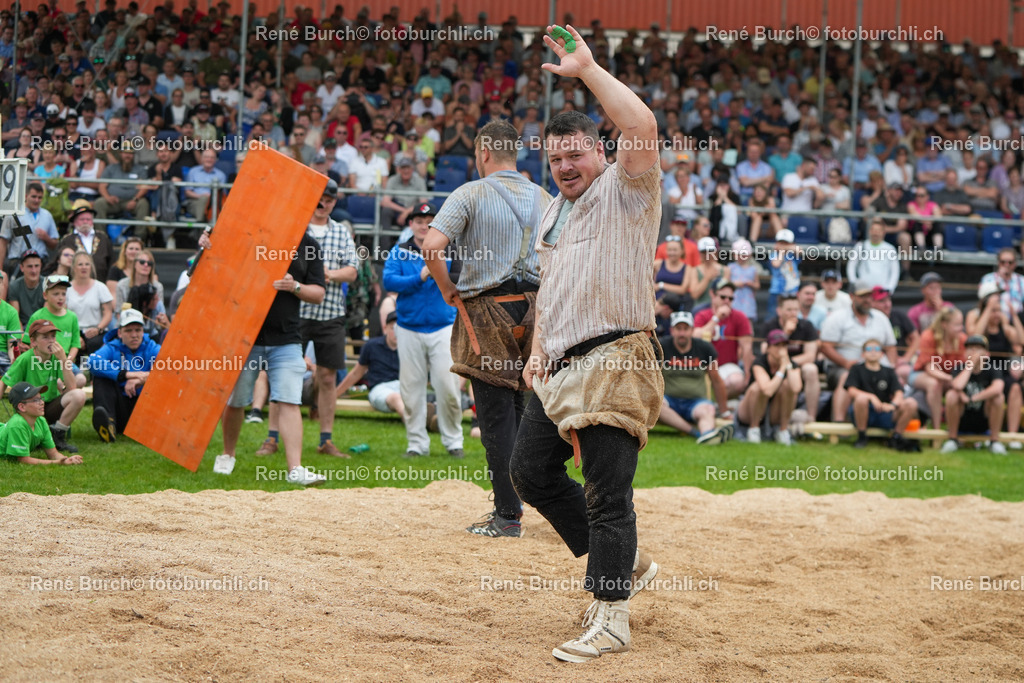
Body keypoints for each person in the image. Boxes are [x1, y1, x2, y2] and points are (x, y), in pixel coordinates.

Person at [506, 26, 663, 662]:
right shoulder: (549, 213)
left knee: (607, 496)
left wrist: (590, 71)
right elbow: (550, 289)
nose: (567, 167)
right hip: (561, 364)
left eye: (576, 156)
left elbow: (643, 125)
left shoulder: (627, 186)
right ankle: (627, 566)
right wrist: (537, 352)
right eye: (556, 160)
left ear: (598, 152)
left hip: (617, 356)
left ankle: (612, 617)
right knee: (530, 473)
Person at [422, 119, 552, 537]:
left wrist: (447, 289)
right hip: (535, 310)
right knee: (520, 410)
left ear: (482, 153)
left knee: (495, 418)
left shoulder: (470, 193)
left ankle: (507, 516)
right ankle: (522, 502)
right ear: (516, 152)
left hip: (487, 311)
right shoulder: (544, 196)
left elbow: (431, 247)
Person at [203, 222, 328, 486]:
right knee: (237, 400)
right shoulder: (252, 234)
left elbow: (318, 293)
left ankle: (295, 469)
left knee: (289, 400)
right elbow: (214, 268)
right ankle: (228, 454)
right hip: (246, 337)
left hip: (287, 339)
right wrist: (207, 245)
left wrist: (294, 287)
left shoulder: (309, 246)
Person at [383, 202, 464, 458]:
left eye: (429, 222)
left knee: (448, 387)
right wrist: (420, 276)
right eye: (418, 221)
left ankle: (454, 441)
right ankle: (416, 444)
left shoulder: (450, 249)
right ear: (411, 224)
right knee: (410, 390)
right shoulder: (399, 251)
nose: (423, 226)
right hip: (408, 327)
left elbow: (461, 281)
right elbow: (388, 281)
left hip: (443, 326)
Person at [294, 179, 359, 458]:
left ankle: (326, 440)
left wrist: (324, 276)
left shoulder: (342, 232)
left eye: (329, 200)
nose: (323, 205)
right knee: (283, 373)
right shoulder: (296, 227)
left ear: (335, 201)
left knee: (328, 376)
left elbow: (353, 271)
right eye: (319, 199)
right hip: (296, 311)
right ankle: (273, 437)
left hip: (330, 312)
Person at [2, 319, 86, 453]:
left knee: (79, 395)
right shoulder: (25, 359)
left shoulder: (58, 357)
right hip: (29, 410)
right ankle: (39, 435)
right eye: (45, 337)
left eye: (53, 336)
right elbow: (3, 382)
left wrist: (64, 360)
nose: (51, 341)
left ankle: (57, 436)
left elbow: (72, 389)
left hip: (48, 407)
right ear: (33, 342)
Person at [820, 283, 897, 422]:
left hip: (875, 367)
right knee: (847, 377)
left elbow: (891, 347)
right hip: (841, 367)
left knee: (899, 375)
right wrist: (846, 363)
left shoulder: (881, 318)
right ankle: (839, 423)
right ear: (851, 296)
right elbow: (825, 346)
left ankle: (893, 423)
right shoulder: (837, 317)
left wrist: (891, 368)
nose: (867, 300)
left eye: (869, 296)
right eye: (862, 296)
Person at [87, 308, 161, 442]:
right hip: (119, 408)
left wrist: (143, 379)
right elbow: (92, 362)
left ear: (143, 332)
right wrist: (126, 375)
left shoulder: (152, 347)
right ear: (120, 333)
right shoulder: (112, 347)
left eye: (138, 330)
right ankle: (108, 425)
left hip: (142, 406)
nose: (134, 335)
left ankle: (150, 426)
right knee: (100, 377)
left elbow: (171, 369)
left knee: (163, 381)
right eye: (128, 330)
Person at [658, 310, 732, 443]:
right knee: (656, 404)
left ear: (692, 330)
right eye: (678, 329)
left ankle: (708, 434)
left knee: (707, 410)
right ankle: (696, 433)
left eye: (686, 329)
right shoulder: (662, 347)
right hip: (669, 401)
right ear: (672, 330)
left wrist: (725, 412)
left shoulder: (705, 348)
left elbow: (716, 381)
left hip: (696, 402)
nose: (682, 333)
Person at [844, 339, 921, 451]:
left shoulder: (889, 371)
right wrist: (871, 397)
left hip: (885, 411)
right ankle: (862, 436)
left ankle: (896, 437)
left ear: (882, 354)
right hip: (864, 411)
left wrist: (893, 405)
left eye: (877, 349)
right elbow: (851, 390)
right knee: (861, 398)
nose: (873, 352)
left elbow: (899, 392)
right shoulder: (856, 369)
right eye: (869, 349)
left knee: (911, 403)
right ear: (863, 354)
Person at [941, 335, 1007, 455]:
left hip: (984, 416)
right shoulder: (959, 368)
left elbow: (998, 388)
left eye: (978, 348)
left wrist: (973, 398)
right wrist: (970, 366)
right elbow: (957, 386)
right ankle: (952, 439)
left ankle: (994, 441)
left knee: (999, 398)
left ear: (986, 354)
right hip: (963, 417)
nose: (973, 351)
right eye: (970, 348)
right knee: (952, 395)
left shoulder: (993, 369)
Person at [759, 295, 821, 419]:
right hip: (774, 366)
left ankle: (811, 417)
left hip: (796, 365)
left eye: (796, 310)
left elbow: (810, 356)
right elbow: (766, 352)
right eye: (789, 310)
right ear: (779, 311)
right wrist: (785, 334)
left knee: (811, 369)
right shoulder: (769, 325)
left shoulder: (807, 325)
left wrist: (788, 362)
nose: (793, 313)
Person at [22, 274, 87, 388]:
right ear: (45, 295)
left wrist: (67, 360)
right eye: (56, 294)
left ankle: (65, 398)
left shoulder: (72, 317)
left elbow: (75, 344)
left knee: (81, 380)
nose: (61, 297)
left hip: (65, 361)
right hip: (43, 362)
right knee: (56, 383)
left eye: (63, 293)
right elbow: (28, 343)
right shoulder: (37, 316)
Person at [738, 330, 802, 444]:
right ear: (768, 348)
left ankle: (783, 430)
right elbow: (767, 390)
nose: (781, 349)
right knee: (758, 387)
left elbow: (796, 388)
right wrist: (782, 369)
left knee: (788, 386)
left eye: (784, 345)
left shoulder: (791, 364)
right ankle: (754, 429)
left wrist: (787, 365)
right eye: (777, 345)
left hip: (774, 411)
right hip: (751, 411)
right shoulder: (759, 362)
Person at [694, 280, 755, 399]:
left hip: (726, 365)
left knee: (736, 382)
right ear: (712, 294)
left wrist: (748, 373)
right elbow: (695, 337)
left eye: (730, 298)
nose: (727, 301)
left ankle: (717, 405)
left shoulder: (740, 317)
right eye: (723, 297)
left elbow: (746, 346)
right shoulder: (702, 314)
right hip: (702, 365)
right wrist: (716, 318)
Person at [335, 311, 403, 415]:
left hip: (404, 387)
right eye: (394, 328)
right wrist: (335, 394)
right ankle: (417, 425)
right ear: (385, 328)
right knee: (396, 398)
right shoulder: (372, 346)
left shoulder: (410, 348)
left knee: (420, 398)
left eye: (401, 328)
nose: (397, 332)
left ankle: (429, 421)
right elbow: (356, 373)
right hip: (381, 388)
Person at [0, 382, 83, 464]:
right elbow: (23, 460)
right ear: (22, 407)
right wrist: (57, 463)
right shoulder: (17, 425)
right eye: (36, 400)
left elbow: (53, 454)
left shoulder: (41, 421)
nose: (42, 402)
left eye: (41, 398)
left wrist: (67, 460)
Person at [912, 307, 966, 428]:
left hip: (947, 377)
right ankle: (936, 430)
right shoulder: (928, 336)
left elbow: (963, 366)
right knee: (935, 384)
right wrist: (949, 379)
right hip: (922, 374)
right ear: (944, 324)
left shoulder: (962, 339)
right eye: (957, 325)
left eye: (961, 324)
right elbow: (929, 367)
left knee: (957, 388)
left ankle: (954, 430)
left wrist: (955, 381)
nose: (961, 328)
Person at [0, 182, 60, 274]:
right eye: (34, 196)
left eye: (40, 197)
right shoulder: (14, 215)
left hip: (40, 263)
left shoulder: (47, 215)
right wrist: (0, 270)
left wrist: (46, 238)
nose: (37, 200)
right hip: (17, 263)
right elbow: (3, 242)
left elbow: (55, 244)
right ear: (26, 196)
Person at [52, 205, 115, 282]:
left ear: (92, 221)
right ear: (74, 222)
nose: (85, 222)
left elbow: (112, 261)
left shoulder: (103, 238)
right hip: (74, 284)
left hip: (101, 281)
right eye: (82, 219)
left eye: (88, 219)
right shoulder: (67, 240)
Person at [67, 251, 113, 356]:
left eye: (87, 264)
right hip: (73, 331)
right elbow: (62, 313)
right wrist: (75, 335)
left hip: (96, 330)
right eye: (80, 264)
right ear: (74, 267)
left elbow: (108, 313)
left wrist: (98, 329)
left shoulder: (100, 287)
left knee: (95, 344)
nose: (84, 267)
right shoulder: (66, 289)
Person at [93, 149, 151, 223]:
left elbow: (144, 188)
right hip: (113, 202)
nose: (127, 156)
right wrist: (108, 197)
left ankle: (139, 234)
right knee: (99, 203)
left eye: (130, 153)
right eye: (125, 153)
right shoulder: (111, 168)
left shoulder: (140, 169)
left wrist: (135, 200)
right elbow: (102, 186)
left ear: (134, 155)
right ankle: (100, 233)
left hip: (132, 201)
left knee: (143, 203)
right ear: (120, 154)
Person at [846, 218, 900, 295]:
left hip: (882, 291)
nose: (875, 233)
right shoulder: (860, 246)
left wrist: (890, 288)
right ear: (869, 231)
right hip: (863, 291)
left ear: (883, 232)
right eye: (873, 230)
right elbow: (851, 265)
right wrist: (854, 282)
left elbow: (895, 271)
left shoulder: (890, 248)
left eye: (878, 230)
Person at [767, 229, 801, 312]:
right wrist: (782, 252)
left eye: (786, 243)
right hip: (777, 292)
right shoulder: (774, 254)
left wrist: (784, 248)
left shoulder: (792, 254)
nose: (783, 245)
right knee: (774, 314)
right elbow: (776, 264)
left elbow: (799, 250)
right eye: (781, 242)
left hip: (792, 292)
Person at [9, 251, 46, 326]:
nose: (34, 270)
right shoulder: (14, 286)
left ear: (41, 266)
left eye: (36, 266)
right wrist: (23, 336)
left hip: (42, 326)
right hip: (21, 327)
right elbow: (15, 317)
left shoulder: (47, 284)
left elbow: (46, 315)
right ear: (22, 267)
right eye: (30, 266)